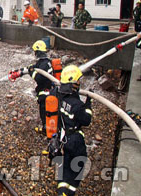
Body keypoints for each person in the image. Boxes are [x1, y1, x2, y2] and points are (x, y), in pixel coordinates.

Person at [49, 65, 92, 196]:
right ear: (73, 83)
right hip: (75, 140)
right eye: (77, 81)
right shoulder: (76, 104)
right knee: (79, 164)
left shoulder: (58, 95)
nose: (79, 83)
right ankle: (70, 191)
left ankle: (61, 189)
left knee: (66, 163)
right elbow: (86, 120)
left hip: (64, 137)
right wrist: (88, 103)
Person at [8, 40, 53, 132]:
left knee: (44, 111)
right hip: (48, 89)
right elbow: (29, 68)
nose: (34, 53)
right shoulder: (44, 62)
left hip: (45, 91)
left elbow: (38, 78)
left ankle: (46, 130)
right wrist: (17, 71)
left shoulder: (44, 65)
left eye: (35, 52)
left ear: (38, 52)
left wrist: (32, 71)